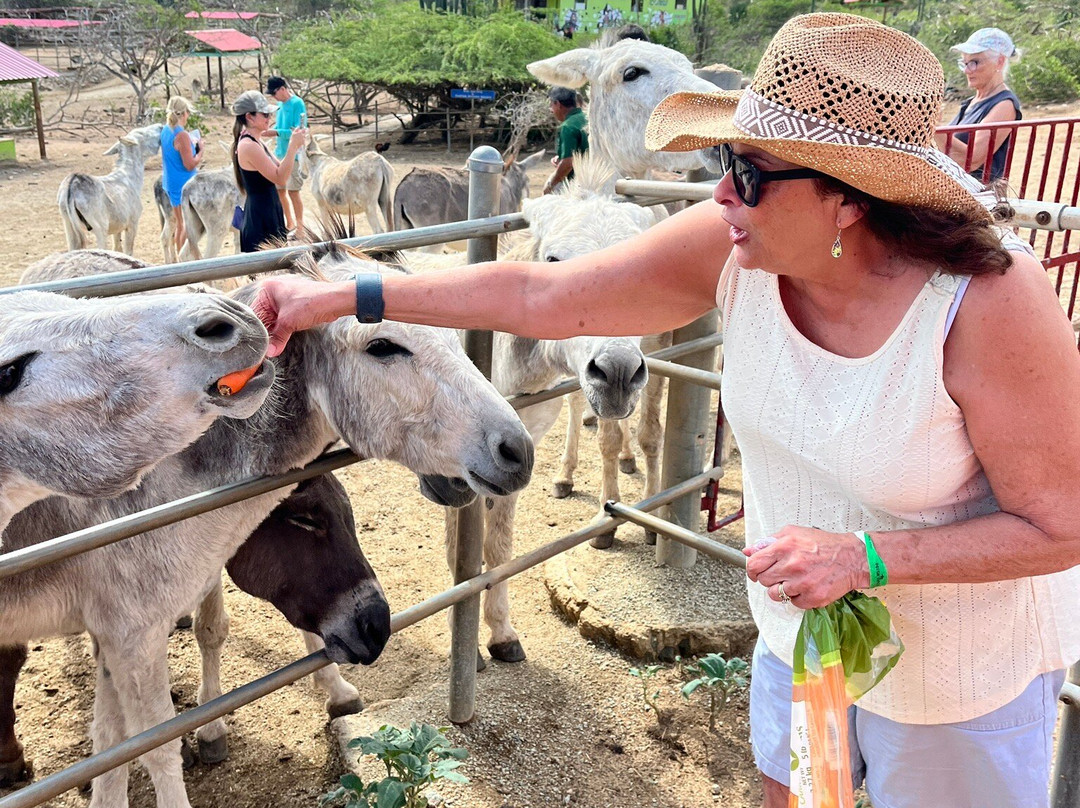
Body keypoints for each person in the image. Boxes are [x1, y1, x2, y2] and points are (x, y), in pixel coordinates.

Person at [253, 14, 1080, 808]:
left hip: (952, 684)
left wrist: (868, 559)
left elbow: (1063, 524)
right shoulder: (738, 250)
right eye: (727, 157)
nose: (721, 190)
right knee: (802, 799)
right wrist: (345, 297)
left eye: (749, 174)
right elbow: (540, 293)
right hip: (806, 649)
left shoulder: (987, 307)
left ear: (849, 199)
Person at [935, 27, 1022, 181]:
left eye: (974, 62)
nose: (967, 70)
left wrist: (932, 126)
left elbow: (972, 160)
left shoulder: (1004, 104)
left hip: (979, 196)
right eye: (965, 63)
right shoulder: (970, 103)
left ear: (1000, 62)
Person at [230, 89, 307, 253]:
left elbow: (280, 168)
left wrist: (294, 144)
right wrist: (293, 146)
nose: (269, 118)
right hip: (260, 217)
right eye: (265, 115)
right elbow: (280, 178)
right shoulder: (249, 145)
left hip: (268, 210)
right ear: (249, 117)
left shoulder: (256, 140)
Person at [263, 76, 309, 237]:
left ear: (282, 89)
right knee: (280, 190)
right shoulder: (280, 105)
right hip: (280, 152)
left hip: (294, 154)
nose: (274, 97)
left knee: (293, 191)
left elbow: (299, 130)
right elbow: (281, 126)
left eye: (274, 93)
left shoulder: (297, 104)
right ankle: (289, 222)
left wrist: (275, 132)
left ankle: (301, 227)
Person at [160, 96, 203, 256]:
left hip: (171, 181)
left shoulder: (165, 130)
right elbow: (190, 164)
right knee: (186, 224)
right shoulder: (182, 135)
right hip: (185, 183)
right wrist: (200, 150)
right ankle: (184, 257)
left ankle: (180, 258)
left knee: (180, 224)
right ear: (184, 113)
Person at [543, 86, 588, 195]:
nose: (551, 110)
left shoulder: (567, 126)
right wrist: (561, 157)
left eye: (551, 105)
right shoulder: (587, 117)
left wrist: (551, 185)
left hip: (578, 185)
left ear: (557, 104)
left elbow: (568, 162)